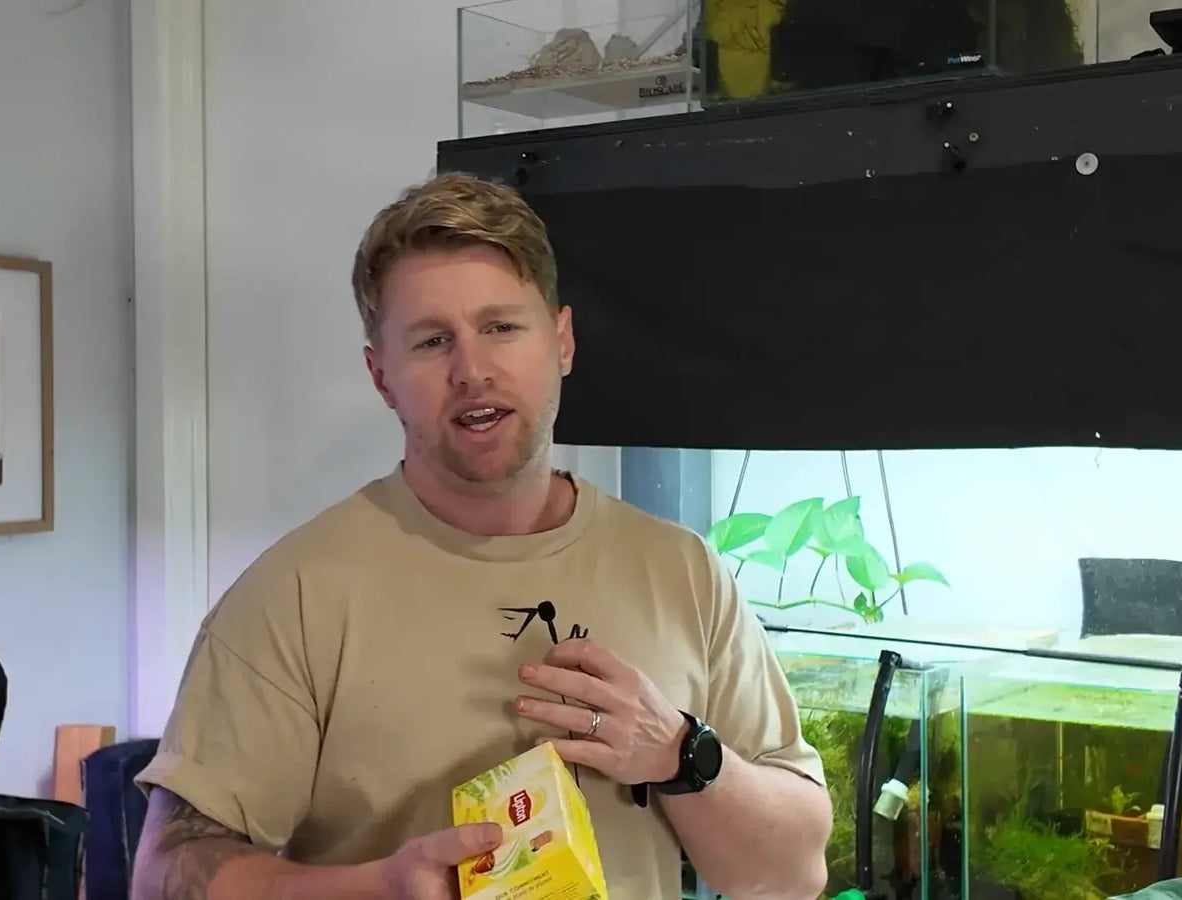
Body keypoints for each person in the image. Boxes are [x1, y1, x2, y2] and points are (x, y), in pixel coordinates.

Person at [130, 173, 833, 899]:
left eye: (501, 327)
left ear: (561, 341)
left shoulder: (683, 572)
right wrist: (383, 888)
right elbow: (162, 878)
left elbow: (792, 876)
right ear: (382, 377)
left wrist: (683, 754)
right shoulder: (295, 594)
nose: (472, 371)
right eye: (433, 342)